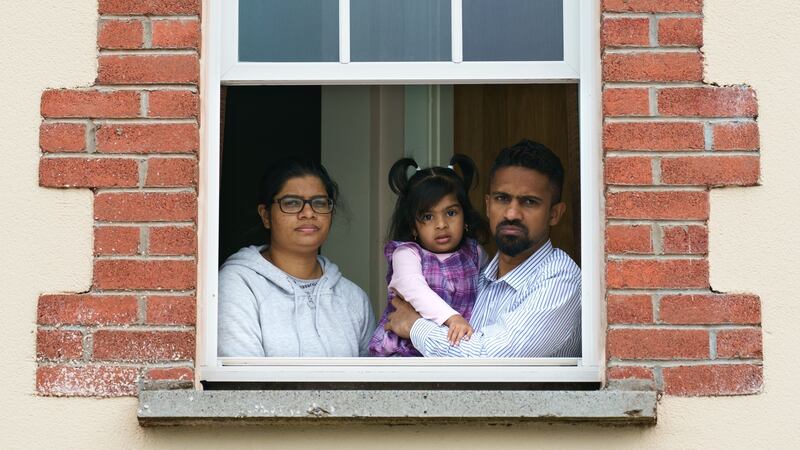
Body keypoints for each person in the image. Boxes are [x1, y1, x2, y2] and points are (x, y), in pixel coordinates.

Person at [384, 139, 582, 357]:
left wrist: (414, 326)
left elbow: (491, 359)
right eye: (502, 199)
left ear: (555, 214)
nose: (511, 214)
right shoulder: (477, 274)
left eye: (529, 202)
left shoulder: (560, 278)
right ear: (488, 205)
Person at [217, 157, 376, 357]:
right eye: (292, 203)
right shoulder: (240, 284)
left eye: (319, 203)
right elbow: (241, 381)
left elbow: (371, 383)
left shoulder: (354, 299)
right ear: (266, 216)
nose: (308, 213)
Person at [369, 155, 489, 356]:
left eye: (451, 213)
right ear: (412, 226)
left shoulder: (475, 253)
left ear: (465, 216)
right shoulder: (407, 254)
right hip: (404, 352)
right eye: (427, 216)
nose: (441, 224)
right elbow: (414, 289)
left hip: (455, 351)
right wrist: (452, 318)